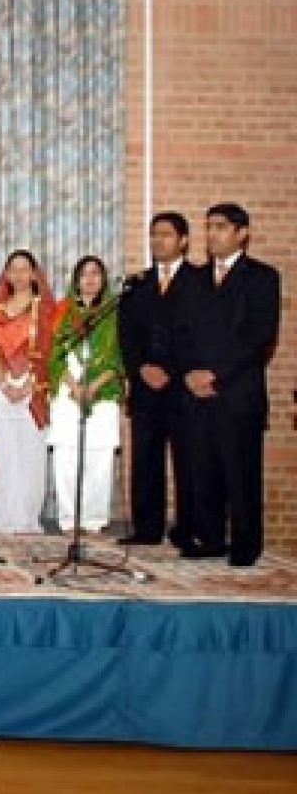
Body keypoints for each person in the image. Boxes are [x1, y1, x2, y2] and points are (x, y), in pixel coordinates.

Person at [176, 203, 281, 567]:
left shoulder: (263, 278)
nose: (212, 234)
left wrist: (215, 375)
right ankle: (210, 539)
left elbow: (259, 337)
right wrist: (190, 372)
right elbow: (182, 334)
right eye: (208, 227)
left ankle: (246, 544)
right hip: (197, 393)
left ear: (242, 233)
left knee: (241, 472)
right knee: (203, 470)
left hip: (237, 393)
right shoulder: (195, 279)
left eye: (220, 227)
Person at [117, 212, 196, 546]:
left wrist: (173, 372)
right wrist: (140, 369)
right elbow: (126, 335)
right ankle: (146, 529)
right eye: (153, 234)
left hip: (183, 388)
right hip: (146, 387)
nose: (157, 241)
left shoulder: (200, 281)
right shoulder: (138, 284)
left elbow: (203, 334)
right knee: (145, 460)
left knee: (189, 461)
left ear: (183, 241)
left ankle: (188, 528)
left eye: (165, 234)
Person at [47, 257, 124, 534]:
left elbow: (119, 359)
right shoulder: (62, 312)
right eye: (84, 274)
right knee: (66, 456)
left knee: (99, 459)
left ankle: (93, 520)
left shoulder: (115, 313)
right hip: (69, 394)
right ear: (75, 280)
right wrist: (74, 386)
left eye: (96, 274)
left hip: (102, 394)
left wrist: (94, 387)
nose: (90, 279)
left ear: (103, 279)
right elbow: (53, 357)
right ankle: (69, 519)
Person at [0, 249, 54, 534]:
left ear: (34, 273)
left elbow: (47, 352)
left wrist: (25, 385)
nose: (19, 274)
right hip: (2, 389)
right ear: (6, 274)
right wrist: (4, 384)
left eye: (25, 269)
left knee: (31, 455)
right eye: (14, 269)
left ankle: (27, 519)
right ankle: (2, 517)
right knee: (4, 456)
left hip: (32, 388)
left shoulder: (45, 308)